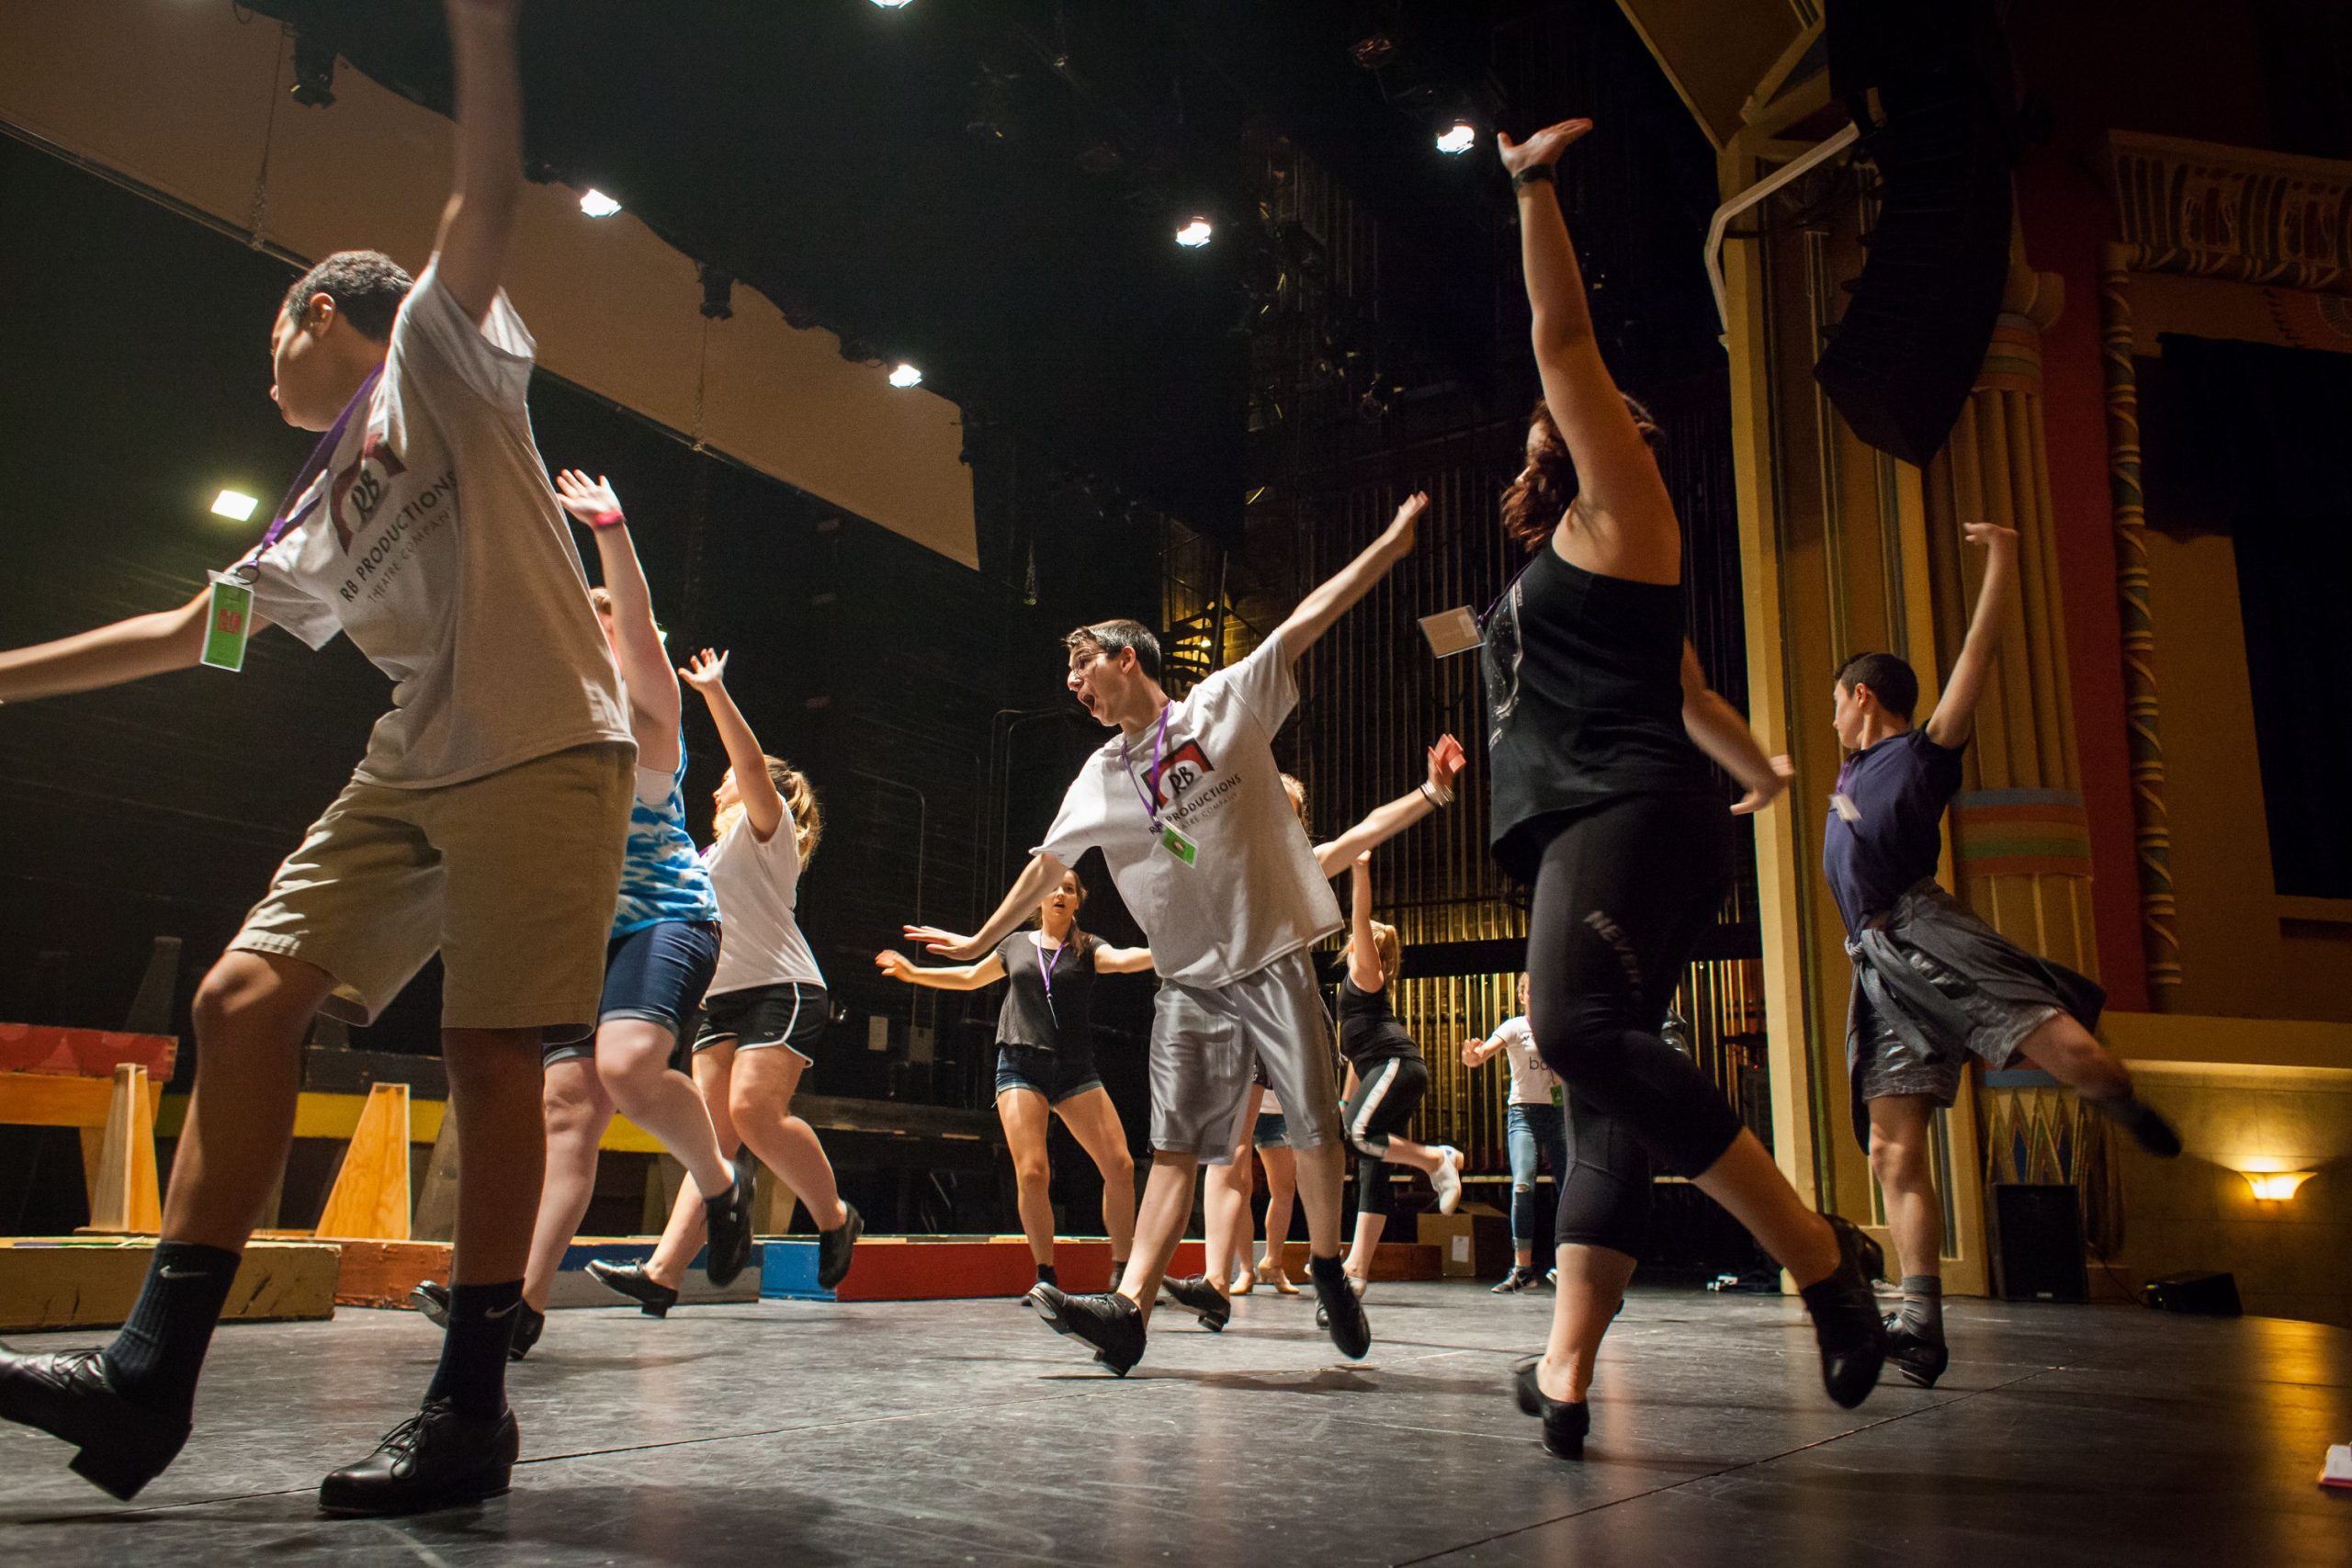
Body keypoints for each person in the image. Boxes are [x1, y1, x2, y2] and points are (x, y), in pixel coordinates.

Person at [0, 0, 636, 1514]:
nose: (265, 359)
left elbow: (483, 199)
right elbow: (180, 631)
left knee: (486, 1048)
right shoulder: (306, 518)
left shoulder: (436, 354)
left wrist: (481, 29)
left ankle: (472, 1407)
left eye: (273, 330)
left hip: (546, 748)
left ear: (315, 310)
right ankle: (151, 1377)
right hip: (411, 770)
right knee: (241, 995)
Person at [1487, 116, 1886, 1462]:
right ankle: (1563, 1373)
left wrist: (1533, 187)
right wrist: (1767, 769)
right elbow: (1697, 694)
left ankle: (1819, 1252)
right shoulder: (1580, 567)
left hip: (1622, 813)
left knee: (1576, 1029)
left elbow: (1561, 343)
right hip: (1614, 808)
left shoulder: (1629, 511)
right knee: (1609, 1103)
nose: (1578, 419)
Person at [908, 492, 1429, 1375]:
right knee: (1174, 1145)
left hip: (1270, 957)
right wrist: (975, 938)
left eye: (1081, 665)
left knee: (1313, 1126)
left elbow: (1305, 621)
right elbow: (1046, 867)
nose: (1071, 684)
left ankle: (1332, 1265)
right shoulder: (1100, 773)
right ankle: (1131, 1307)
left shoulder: (1222, 706)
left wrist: (1384, 544)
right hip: (1188, 980)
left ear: (1124, 654)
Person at [1829, 522, 2180, 1389]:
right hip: (1876, 966)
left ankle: (2119, 1098)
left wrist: (2004, 559)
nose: (1833, 716)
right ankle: (1922, 1321)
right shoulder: (1847, 775)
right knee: (1892, 1150)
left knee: (2071, 1055)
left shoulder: (1915, 756)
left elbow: (1973, 668)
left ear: (1865, 695)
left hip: (1925, 929)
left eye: (1838, 700)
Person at [420, 477, 749, 1355]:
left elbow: (636, 626)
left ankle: (719, 1185)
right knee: (567, 1110)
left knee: (632, 1063)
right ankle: (519, 1303)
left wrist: (610, 528)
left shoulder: (651, 717)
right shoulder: (549, 727)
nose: (588, 639)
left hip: (669, 916)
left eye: (597, 628)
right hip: (585, 935)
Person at [588, 649, 863, 1313]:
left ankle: (834, 1216)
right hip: (720, 999)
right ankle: (662, 1273)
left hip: (783, 987)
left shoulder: (769, 834)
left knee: (752, 1112)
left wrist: (713, 693)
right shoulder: (702, 856)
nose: (716, 790)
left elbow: (747, 765)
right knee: (711, 1139)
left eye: (726, 783)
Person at [1182, 743, 1465, 1318]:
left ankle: (1331, 1266)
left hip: (1288, 1014)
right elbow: (1171, 848)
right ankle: (1215, 1282)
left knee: (1323, 1143)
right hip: (1234, 1014)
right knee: (1227, 1152)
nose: (1276, 815)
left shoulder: (1303, 866)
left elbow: (1365, 832)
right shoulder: (1221, 856)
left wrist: (1431, 793)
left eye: (1290, 809)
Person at [875, 867, 1148, 1290]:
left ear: (1078, 901)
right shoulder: (1016, 945)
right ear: (1037, 899)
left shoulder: (1088, 947)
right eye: (1053, 887)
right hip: (1020, 1064)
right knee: (1034, 1172)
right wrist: (914, 973)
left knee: (1121, 1165)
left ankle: (1123, 1268)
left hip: (1074, 1070)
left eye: (1070, 889)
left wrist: (1166, 953)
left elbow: (1124, 960)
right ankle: (1045, 1274)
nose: (1060, 893)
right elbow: (969, 978)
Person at [1324, 851, 1464, 1317]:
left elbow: (1360, 916)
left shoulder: (1366, 974)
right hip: (1384, 1069)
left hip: (1396, 1066)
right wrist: (1346, 1102)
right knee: (1370, 1162)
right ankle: (1357, 1272)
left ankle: (1434, 1159)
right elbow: (1355, 1060)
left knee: (1360, 1137)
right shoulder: (1355, 998)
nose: (1352, 941)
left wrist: (1360, 869)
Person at [1461, 976, 1568, 1293]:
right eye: (1530, 993)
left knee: (1570, 1187)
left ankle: (1570, 1264)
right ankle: (1522, 1269)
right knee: (1522, 1184)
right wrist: (1473, 1056)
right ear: (1522, 997)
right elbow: (1483, 1053)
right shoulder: (1514, 1027)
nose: (1536, 998)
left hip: (1559, 1114)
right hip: (1524, 1113)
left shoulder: (1559, 1026)